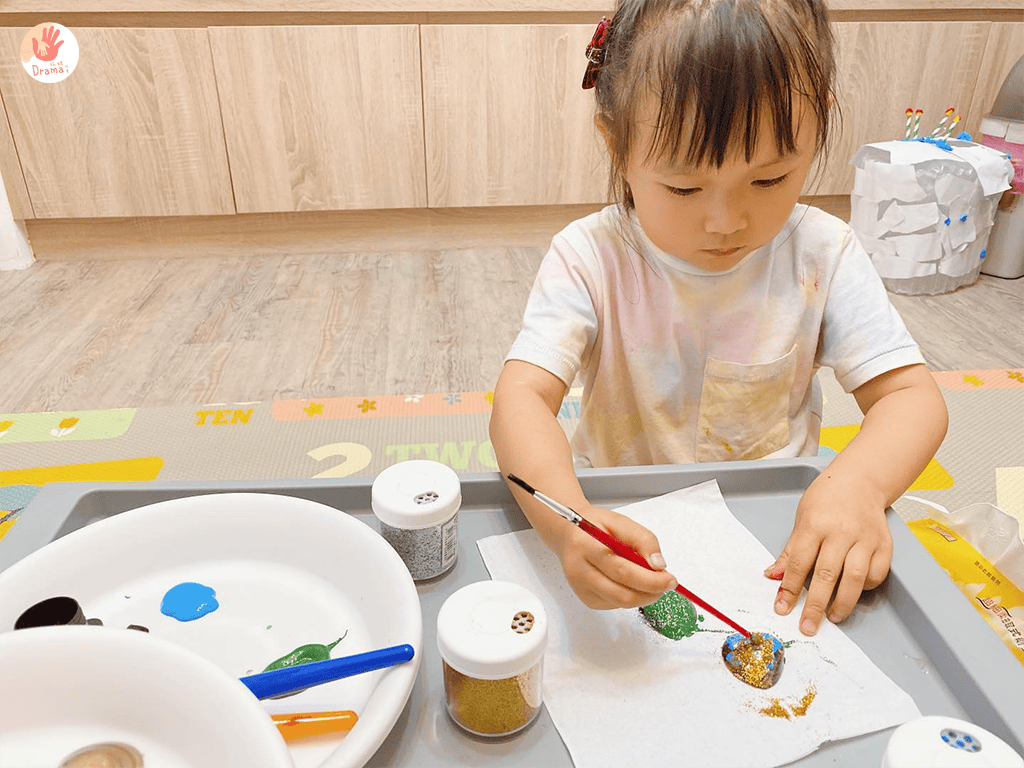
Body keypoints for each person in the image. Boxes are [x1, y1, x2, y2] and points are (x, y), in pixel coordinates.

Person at [489, 0, 948, 636]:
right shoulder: (590, 257)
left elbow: (910, 397)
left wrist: (859, 487)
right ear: (617, 146)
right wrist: (569, 522)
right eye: (684, 188)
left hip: (775, 530)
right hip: (623, 523)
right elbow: (521, 399)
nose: (726, 221)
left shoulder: (823, 253)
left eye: (771, 179)